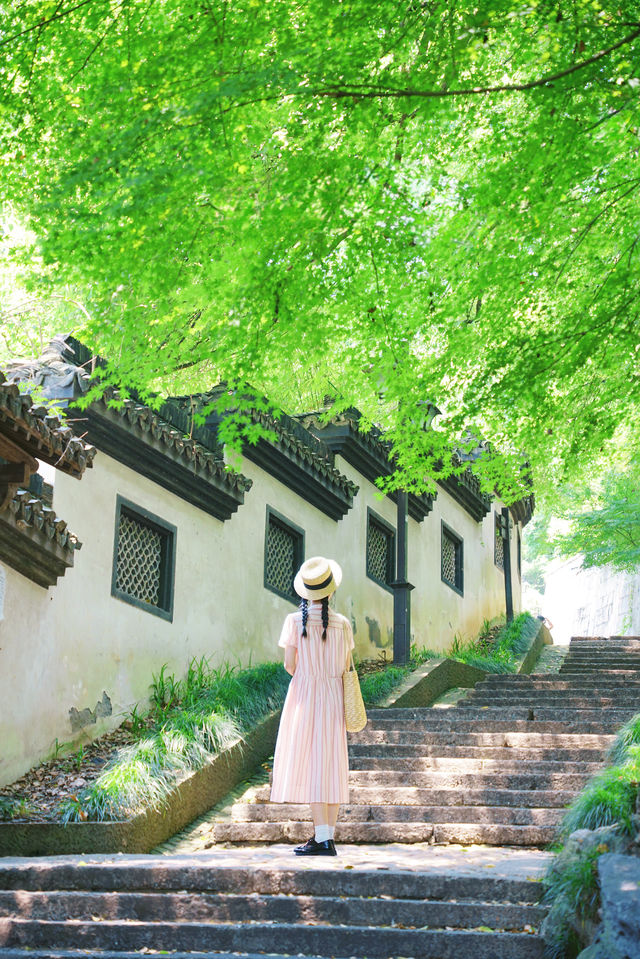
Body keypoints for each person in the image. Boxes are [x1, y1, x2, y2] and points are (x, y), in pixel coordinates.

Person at [270, 556, 354, 856]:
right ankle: (325, 836)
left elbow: (289, 664)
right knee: (330, 765)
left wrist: (310, 675)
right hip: (333, 696)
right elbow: (345, 665)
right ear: (331, 590)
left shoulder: (294, 621)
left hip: (305, 695)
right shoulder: (343, 624)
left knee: (315, 766)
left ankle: (323, 840)